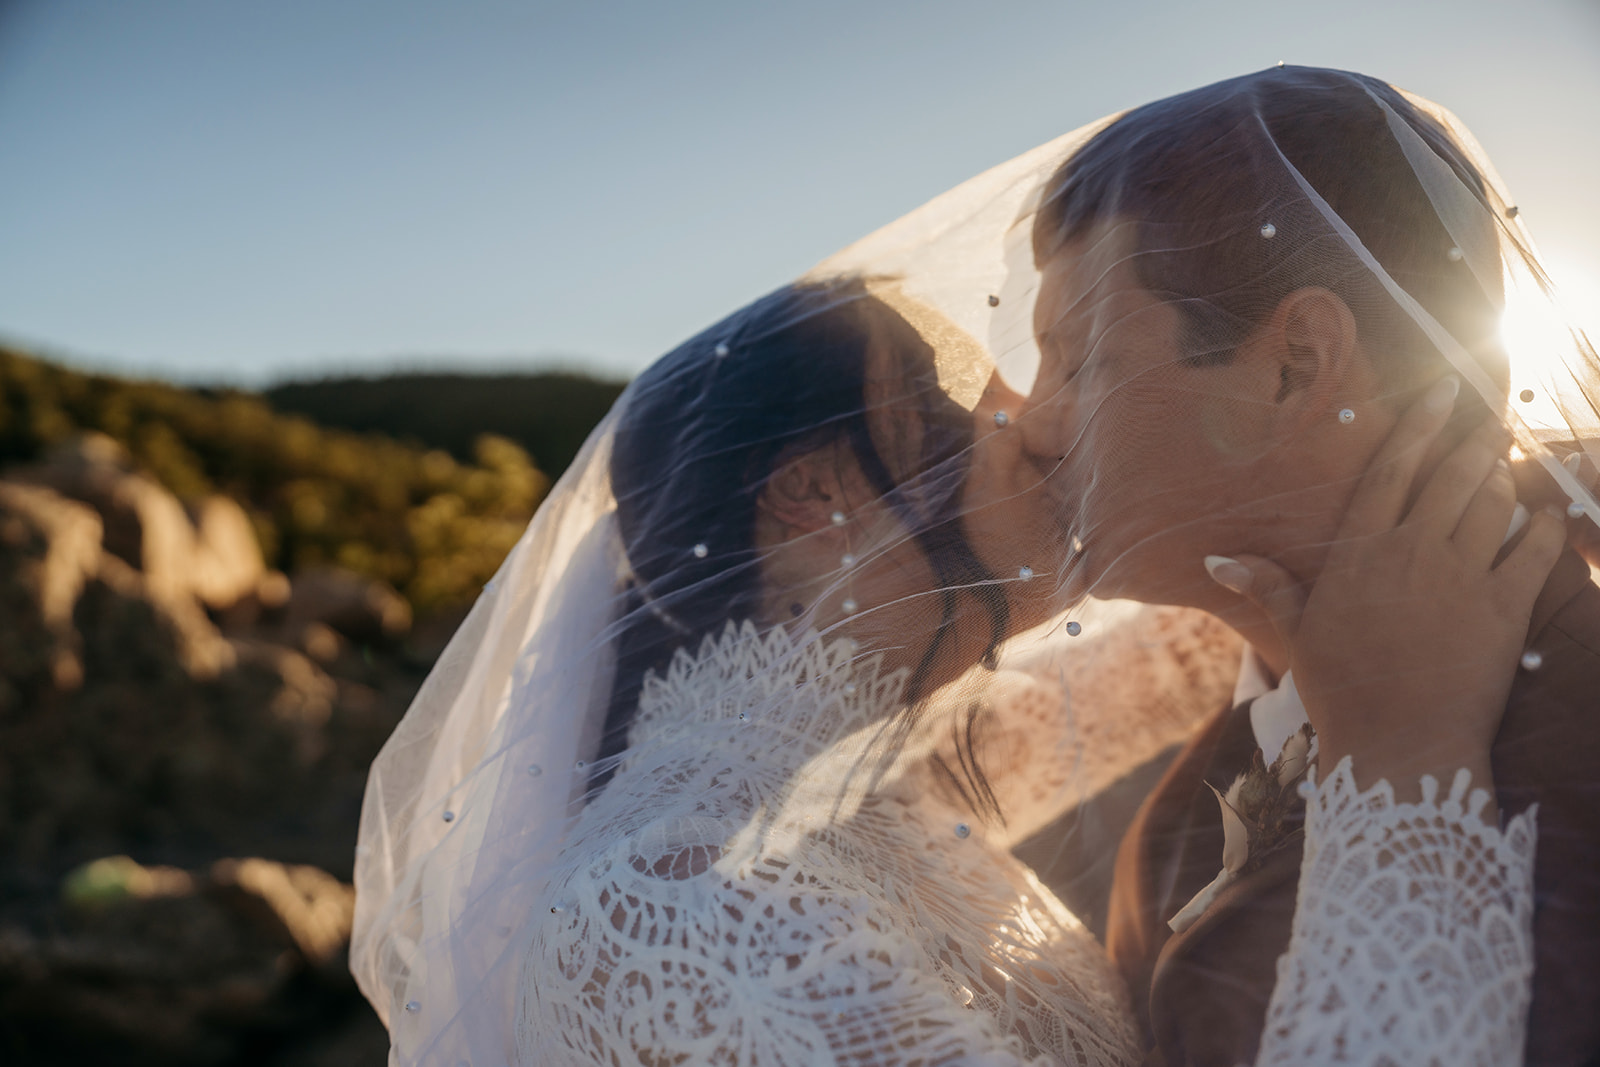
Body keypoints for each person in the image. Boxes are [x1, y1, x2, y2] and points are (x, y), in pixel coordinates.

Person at [347, 67, 1590, 1066]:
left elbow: (1194, 627)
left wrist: (1463, 484)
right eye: (955, 413)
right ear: (815, 490)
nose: (1033, 425)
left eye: (1072, 360)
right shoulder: (676, 890)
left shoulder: (875, 791)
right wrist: (1404, 752)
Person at [985, 67, 1600, 1065]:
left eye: (1077, 359)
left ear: (1297, 364)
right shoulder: (1197, 787)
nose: (1031, 423)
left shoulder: (1567, 748)